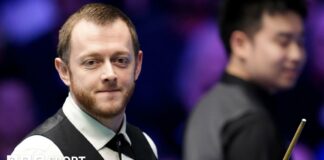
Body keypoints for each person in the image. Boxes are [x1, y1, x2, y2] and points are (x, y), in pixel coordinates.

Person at [10, 3, 157, 160]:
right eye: (91, 62)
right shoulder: (38, 153)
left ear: (137, 65)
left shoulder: (144, 143)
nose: (110, 74)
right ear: (63, 70)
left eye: (120, 60)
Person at [184, 0, 307, 159]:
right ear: (240, 44)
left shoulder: (207, 104)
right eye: (283, 42)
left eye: (300, 42)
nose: (296, 55)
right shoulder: (252, 124)